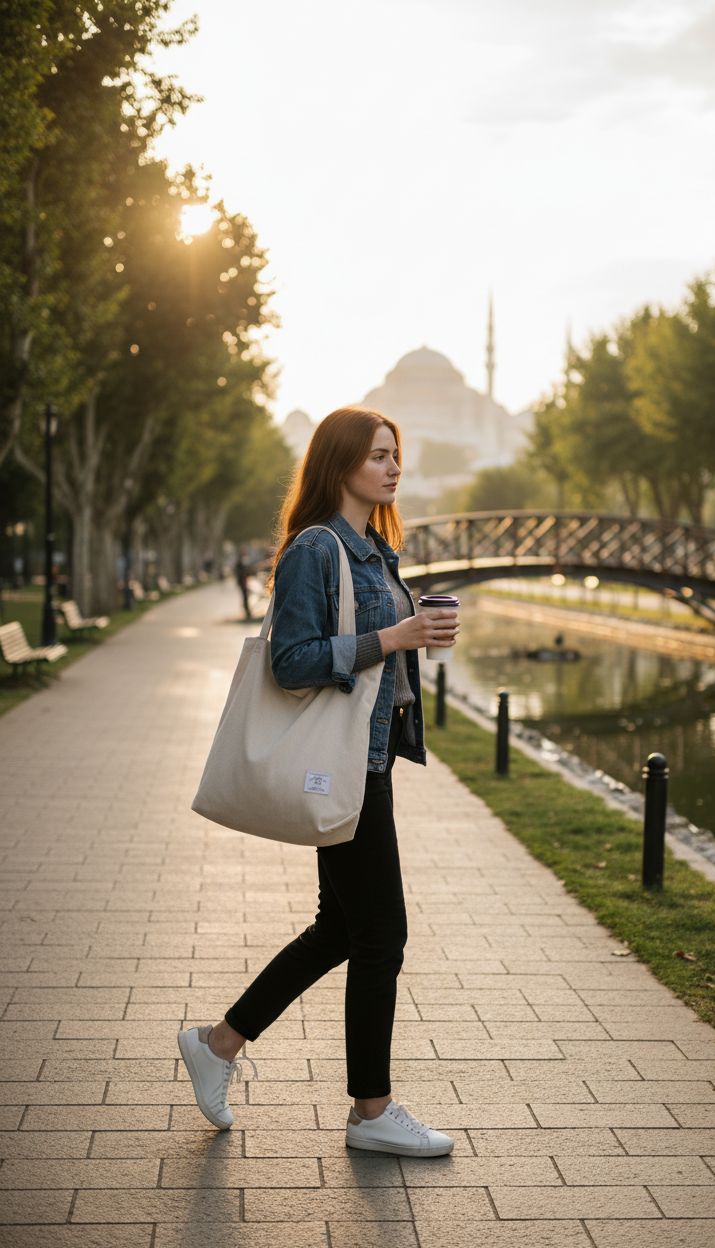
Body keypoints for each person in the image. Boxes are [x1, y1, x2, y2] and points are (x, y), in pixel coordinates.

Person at [178, 406, 461, 1157]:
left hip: (367, 763)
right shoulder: (316, 547)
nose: (392, 467)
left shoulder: (375, 548)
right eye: (377, 456)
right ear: (339, 465)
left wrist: (416, 639)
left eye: (397, 454)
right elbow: (292, 660)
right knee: (382, 936)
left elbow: (375, 657)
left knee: (344, 928)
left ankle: (219, 1043)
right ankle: (371, 1113)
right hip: (339, 766)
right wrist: (393, 636)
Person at [234, 546, 252, 619]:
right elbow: (241, 573)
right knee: (245, 597)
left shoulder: (243, 561)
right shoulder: (240, 562)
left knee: (246, 596)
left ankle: (247, 611)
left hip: (244, 581)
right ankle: (247, 612)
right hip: (242, 582)